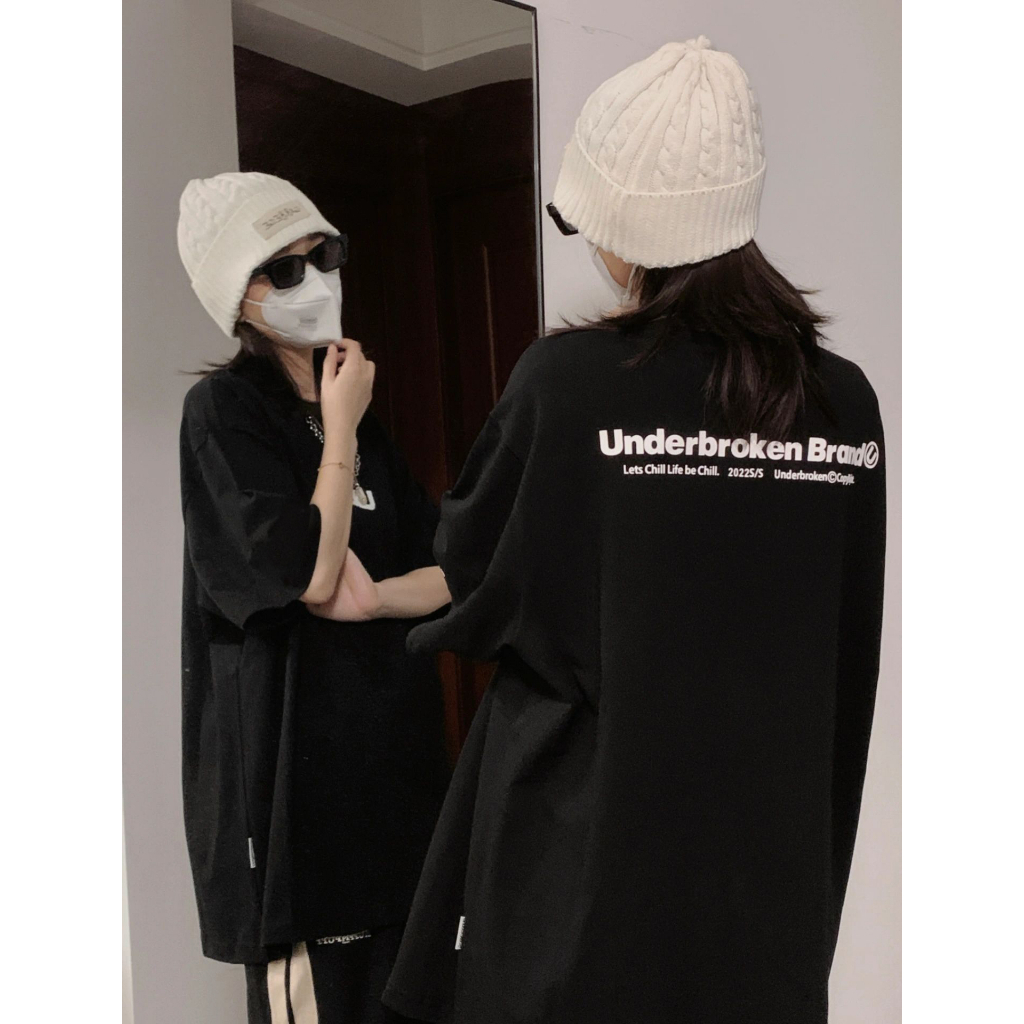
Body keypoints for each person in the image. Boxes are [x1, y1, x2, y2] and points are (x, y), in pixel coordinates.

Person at [381, 36, 886, 1024]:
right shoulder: (845, 404)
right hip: (768, 905)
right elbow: (843, 647)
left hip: (583, 897)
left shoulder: (568, 386)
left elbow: (475, 573)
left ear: (624, 222)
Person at [176, 171, 453, 1024]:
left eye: (324, 256)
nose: (317, 282)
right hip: (298, 820)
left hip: (395, 795)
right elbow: (306, 573)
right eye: (285, 270)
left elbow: (455, 571)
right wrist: (338, 430)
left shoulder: (363, 422)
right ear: (239, 297)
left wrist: (380, 601)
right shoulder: (224, 413)